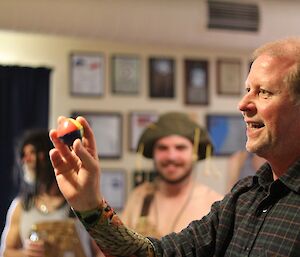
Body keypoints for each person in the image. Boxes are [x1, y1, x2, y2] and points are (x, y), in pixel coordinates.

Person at [49, 37, 300, 256]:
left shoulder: (219, 197)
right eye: (247, 90)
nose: (243, 104)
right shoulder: (244, 198)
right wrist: (89, 204)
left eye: (264, 92)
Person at [0, 129, 102, 257]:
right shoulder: (21, 206)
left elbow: (101, 250)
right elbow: (6, 252)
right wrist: (25, 254)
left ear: (48, 155)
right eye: (24, 154)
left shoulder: (80, 203)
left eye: (32, 152)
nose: (26, 159)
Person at [121, 112, 223, 238]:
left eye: (180, 148)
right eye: (163, 148)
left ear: (194, 153)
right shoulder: (139, 197)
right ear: (153, 153)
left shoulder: (215, 205)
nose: (171, 156)